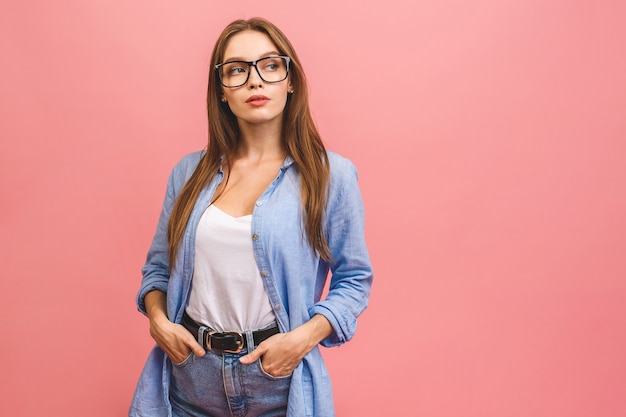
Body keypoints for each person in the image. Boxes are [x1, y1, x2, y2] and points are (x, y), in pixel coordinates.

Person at [129, 17, 373, 417]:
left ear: (290, 80)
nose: (255, 81)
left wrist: (302, 340)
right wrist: (158, 321)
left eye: (270, 65)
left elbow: (355, 280)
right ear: (222, 91)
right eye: (237, 70)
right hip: (189, 378)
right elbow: (158, 270)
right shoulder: (188, 173)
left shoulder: (331, 176)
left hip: (278, 383)